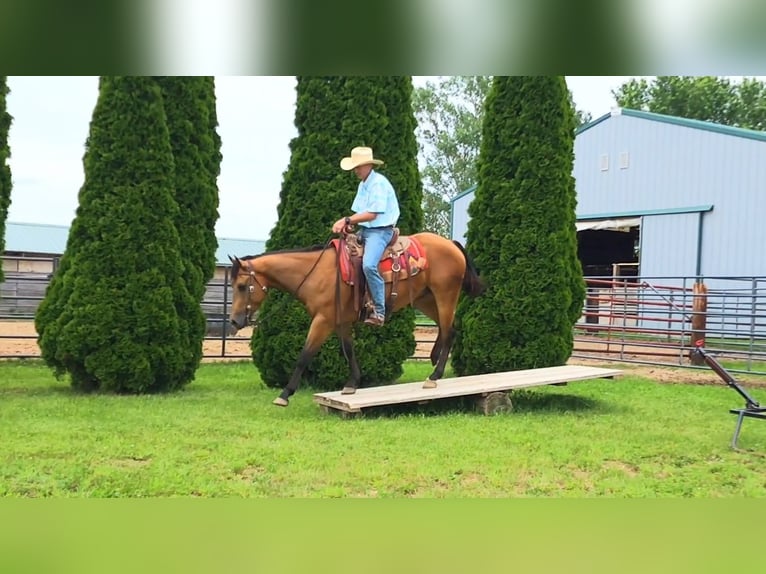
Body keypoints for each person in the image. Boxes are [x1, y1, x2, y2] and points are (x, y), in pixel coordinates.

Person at [332, 146, 400, 327]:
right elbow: (361, 214)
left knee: (369, 265)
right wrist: (350, 225)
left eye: (358, 166)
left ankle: (379, 311)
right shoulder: (364, 184)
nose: (356, 170)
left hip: (381, 231)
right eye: (355, 167)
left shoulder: (378, 183)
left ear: (368, 165)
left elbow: (372, 214)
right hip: (368, 231)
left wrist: (346, 220)